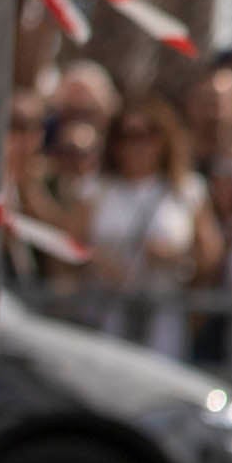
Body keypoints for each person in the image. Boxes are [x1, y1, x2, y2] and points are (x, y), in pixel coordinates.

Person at [86, 99, 212, 352]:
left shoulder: (187, 189)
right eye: (128, 136)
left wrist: (176, 258)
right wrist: (97, 260)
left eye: (149, 134)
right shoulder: (97, 189)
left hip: (164, 314)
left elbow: (210, 255)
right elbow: (68, 245)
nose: (138, 145)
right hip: (107, 312)